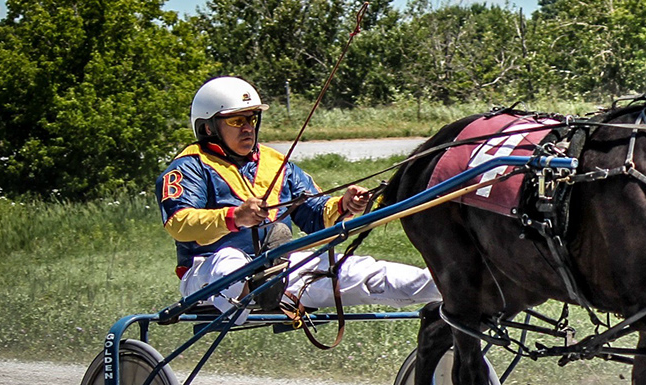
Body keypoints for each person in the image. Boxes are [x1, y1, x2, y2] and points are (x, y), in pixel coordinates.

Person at [159, 76, 441, 320]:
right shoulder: (189, 166)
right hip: (206, 274)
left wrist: (344, 205)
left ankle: (456, 288)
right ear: (208, 128)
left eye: (252, 119)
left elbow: (315, 214)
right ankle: (260, 291)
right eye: (236, 120)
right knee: (230, 260)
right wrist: (235, 217)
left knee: (368, 272)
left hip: (280, 269)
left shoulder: (277, 164)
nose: (248, 128)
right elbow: (179, 223)